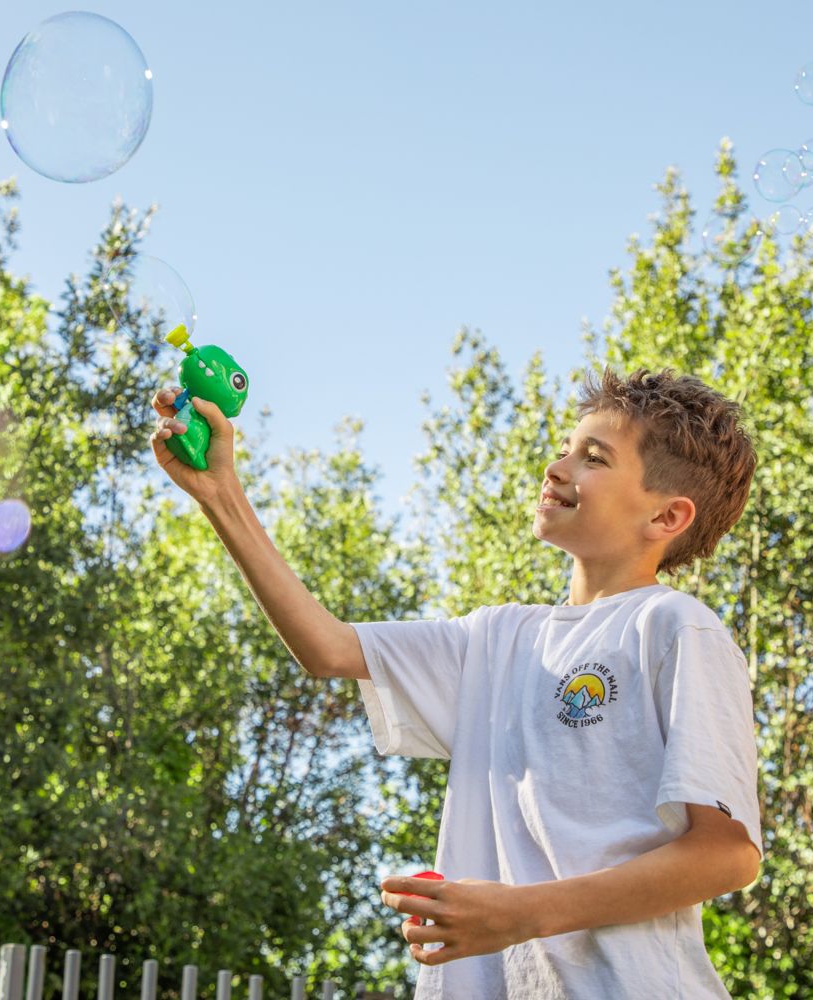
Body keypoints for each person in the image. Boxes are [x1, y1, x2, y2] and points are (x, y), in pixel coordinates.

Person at [150, 366, 763, 999]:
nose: (557, 468)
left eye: (595, 459)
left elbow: (727, 854)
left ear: (667, 516)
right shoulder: (494, 639)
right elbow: (327, 647)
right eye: (565, 449)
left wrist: (521, 913)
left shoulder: (675, 627)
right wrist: (220, 492)